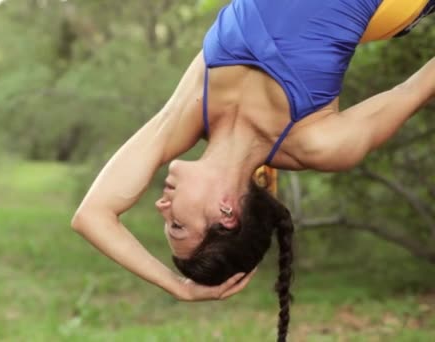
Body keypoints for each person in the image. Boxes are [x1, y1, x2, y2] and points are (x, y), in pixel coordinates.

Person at [71, 0, 435, 341]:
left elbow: (92, 215)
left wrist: (176, 286)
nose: (161, 208)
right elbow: (414, 88)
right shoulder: (316, 142)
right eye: (177, 225)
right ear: (227, 214)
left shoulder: (192, 109)